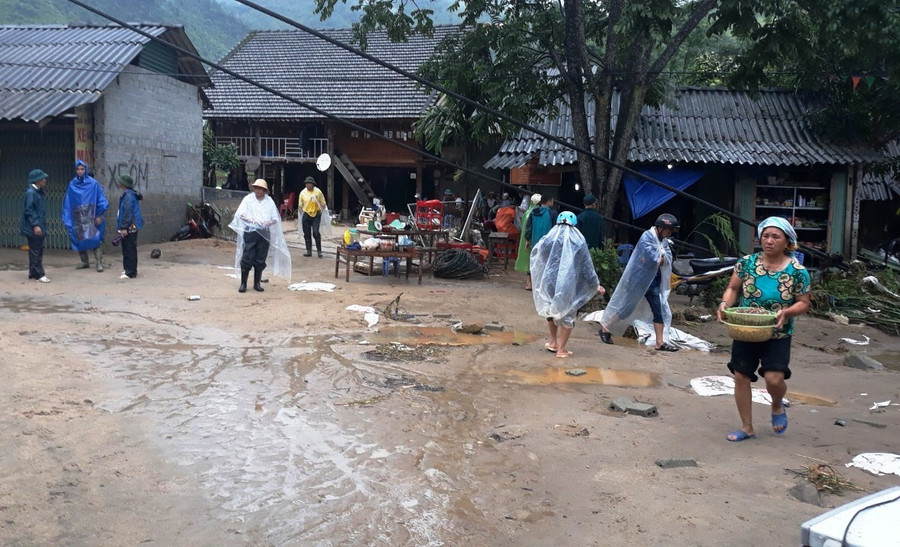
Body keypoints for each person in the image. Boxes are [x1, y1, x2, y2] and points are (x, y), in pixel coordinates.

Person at [717, 217, 811, 442]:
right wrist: (724, 304)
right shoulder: (747, 263)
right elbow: (732, 288)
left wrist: (787, 313)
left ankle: (777, 404)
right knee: (741, 375)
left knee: (774, 378)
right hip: (746, 328)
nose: (769, 241)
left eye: (775, 236)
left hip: (778, 331)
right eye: (765, 236)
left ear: (787, 241)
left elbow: (804, 302)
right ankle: (747, 427)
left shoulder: (798, 271)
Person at [598, 213, 679, 351]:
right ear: (660, 227)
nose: (670, 233)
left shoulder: (663, 241)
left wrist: (660, 258)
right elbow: (652, 259)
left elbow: (665, 258)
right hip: (638, 280)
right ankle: (605, 329)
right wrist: (660, 258)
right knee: (626, 308)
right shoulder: (647, 237)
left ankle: (660, 342)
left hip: (653, 281)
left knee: (659, 310)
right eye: (668, 229)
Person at [531, 211, 605, 358]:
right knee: (568, 313)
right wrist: (595, 284)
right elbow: (586, 266)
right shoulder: (578, 240)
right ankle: (561, 349)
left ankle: (553, 342)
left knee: (551, 309)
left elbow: (541, 255)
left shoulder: (550, 238)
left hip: (550, 282)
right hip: (568, 283)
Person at [229, 179, 291, 292]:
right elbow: (241, 214)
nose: (258, 190)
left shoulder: (269, 201)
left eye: (261, 189)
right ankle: (243, 283)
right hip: (250, 231)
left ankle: (257, 283)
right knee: (248, 257)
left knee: (260, 258)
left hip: (264, 232)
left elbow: (275, 218)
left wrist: (268, 222)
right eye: (256, 188)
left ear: (264, 191)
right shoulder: (248, 199)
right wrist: (252, 219)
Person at [62, 160, 108, 272]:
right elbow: (68, 201)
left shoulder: (93, 184)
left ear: (86, 170)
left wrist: (99, 214)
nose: (80, 171)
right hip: (78, 215)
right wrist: (68, 216)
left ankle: (99, 262)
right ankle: (84, 261)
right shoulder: (72, 184)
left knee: (96, 238)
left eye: (82, 169)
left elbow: (101, 199)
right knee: (80, 237)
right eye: (78, 169)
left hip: (92, 214)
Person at [20, 169, 50, 283]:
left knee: (34, 250)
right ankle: (39, 274)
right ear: (37, 180)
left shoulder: (37, 191)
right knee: (37, 250)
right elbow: (29, 211)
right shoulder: (32, 193)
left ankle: (33, 272)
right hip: (33, 227)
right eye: (42, 178)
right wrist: (35, 225)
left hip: (36, 225)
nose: (44, 180)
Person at [114, 175, 144, 279]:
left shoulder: (128, 196)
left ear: (123, 184)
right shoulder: (129, 195)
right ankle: (128, 270)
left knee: (129, 248)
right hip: (132, 226)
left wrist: (124, 227)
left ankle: (130, 272)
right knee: (127, 248)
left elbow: (127, 213)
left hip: (130, 227)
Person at [514, 193, 542, 290]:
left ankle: (528, 283)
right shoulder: (536, 213)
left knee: (529, 261)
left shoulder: (527, 212)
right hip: (532, 239)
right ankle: (530, 283)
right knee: (534, 261)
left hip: (526, 239)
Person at [298, 176, 327, 257]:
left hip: (316, 214)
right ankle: (308, 251)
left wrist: (321, 211)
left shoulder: (318, 192)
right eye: (307, 184)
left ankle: (319, 251)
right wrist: (301, 213)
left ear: (313, 184)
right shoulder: (302, 193)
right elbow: (300, 205)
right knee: (306, 233)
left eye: (309, 184)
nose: (308, 185)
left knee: (316, 232)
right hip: (306, 214)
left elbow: (323, 203)